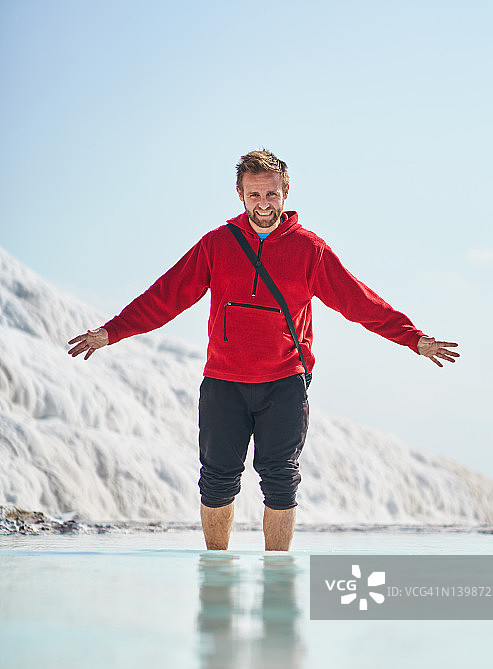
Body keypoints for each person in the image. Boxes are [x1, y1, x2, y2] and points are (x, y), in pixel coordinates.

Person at [68, 149, 460, 551]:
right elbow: (166, 296)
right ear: (240, 194)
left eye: (271, 194)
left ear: (285, 192)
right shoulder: (217, 244)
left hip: (284, 383)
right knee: (217, 480)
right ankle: (217, 573)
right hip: (224, 382)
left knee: (281, 480)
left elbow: (358, 302)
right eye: (254, 195)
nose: (263, 204)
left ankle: (277, 576)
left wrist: (412, 338)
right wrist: (112, 332)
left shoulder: (310, 249)